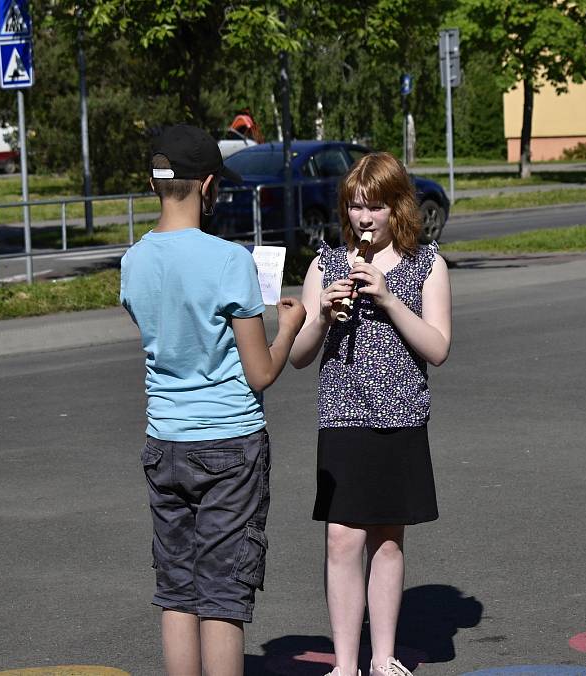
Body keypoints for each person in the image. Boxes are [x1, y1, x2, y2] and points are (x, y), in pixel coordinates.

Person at [119, 124, 306, 676]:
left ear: (156, 186)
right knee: (223, 595)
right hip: (228, 442)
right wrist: (289, 325)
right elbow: (262, 372)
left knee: (177, 590)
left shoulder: (133, 261)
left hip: (165, 439)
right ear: (208, 186)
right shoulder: (229, 261)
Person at [289, 151, 452, 676]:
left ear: (397, 208)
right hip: (343, 415)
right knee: (342, 538)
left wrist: (389, 300)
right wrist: (323, 318)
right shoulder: (326, 264)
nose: (364, 218)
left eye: (375, 207)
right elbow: (298, 354)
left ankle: (383, 657)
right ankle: (344, 662)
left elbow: (438, 347)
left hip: (401, 416)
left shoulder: (427, 264)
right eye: (355, 207)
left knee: (387, 538)